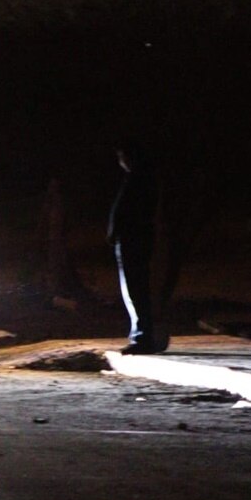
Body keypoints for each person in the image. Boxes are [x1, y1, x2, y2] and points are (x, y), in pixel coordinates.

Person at [108, 142, 164, 354]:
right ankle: (141, 334)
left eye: (122, 156)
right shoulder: (140, 180)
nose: (120, 161)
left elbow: (127, 211)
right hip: (134, 239)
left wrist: (117, 232)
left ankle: (142, 337)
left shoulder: (137, 181)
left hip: (133, 240)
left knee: (135, 289)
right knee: (135, 288)